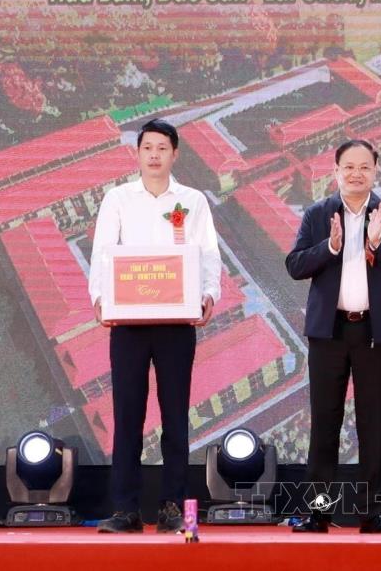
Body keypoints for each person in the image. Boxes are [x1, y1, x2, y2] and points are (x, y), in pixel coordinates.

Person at [88, 119, 221, 533]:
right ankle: (125, 510)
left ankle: (172, 507)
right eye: (147, 147)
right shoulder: (118, 198)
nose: (154, 155)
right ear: (137, 153)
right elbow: (102, 253)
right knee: (127, 416)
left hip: (176, 323)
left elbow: (208, 253)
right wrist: (99, 298)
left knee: (175, 416)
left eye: (162, 148)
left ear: (175, 154)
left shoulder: (193, 200)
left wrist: (209, 294)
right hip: (128, 324)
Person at [286, 138, 381, 533]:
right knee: (324, 423)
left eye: (364, 167)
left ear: (375, 171)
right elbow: (295, 265)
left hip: (375, 334)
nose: (356, 173)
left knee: (373, 425)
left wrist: (379, 243)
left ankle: (372, 513)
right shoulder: (318, 214)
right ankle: (318, 513)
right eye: (349, 166)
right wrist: (330, 247)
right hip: (328, 333)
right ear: (336, 171)